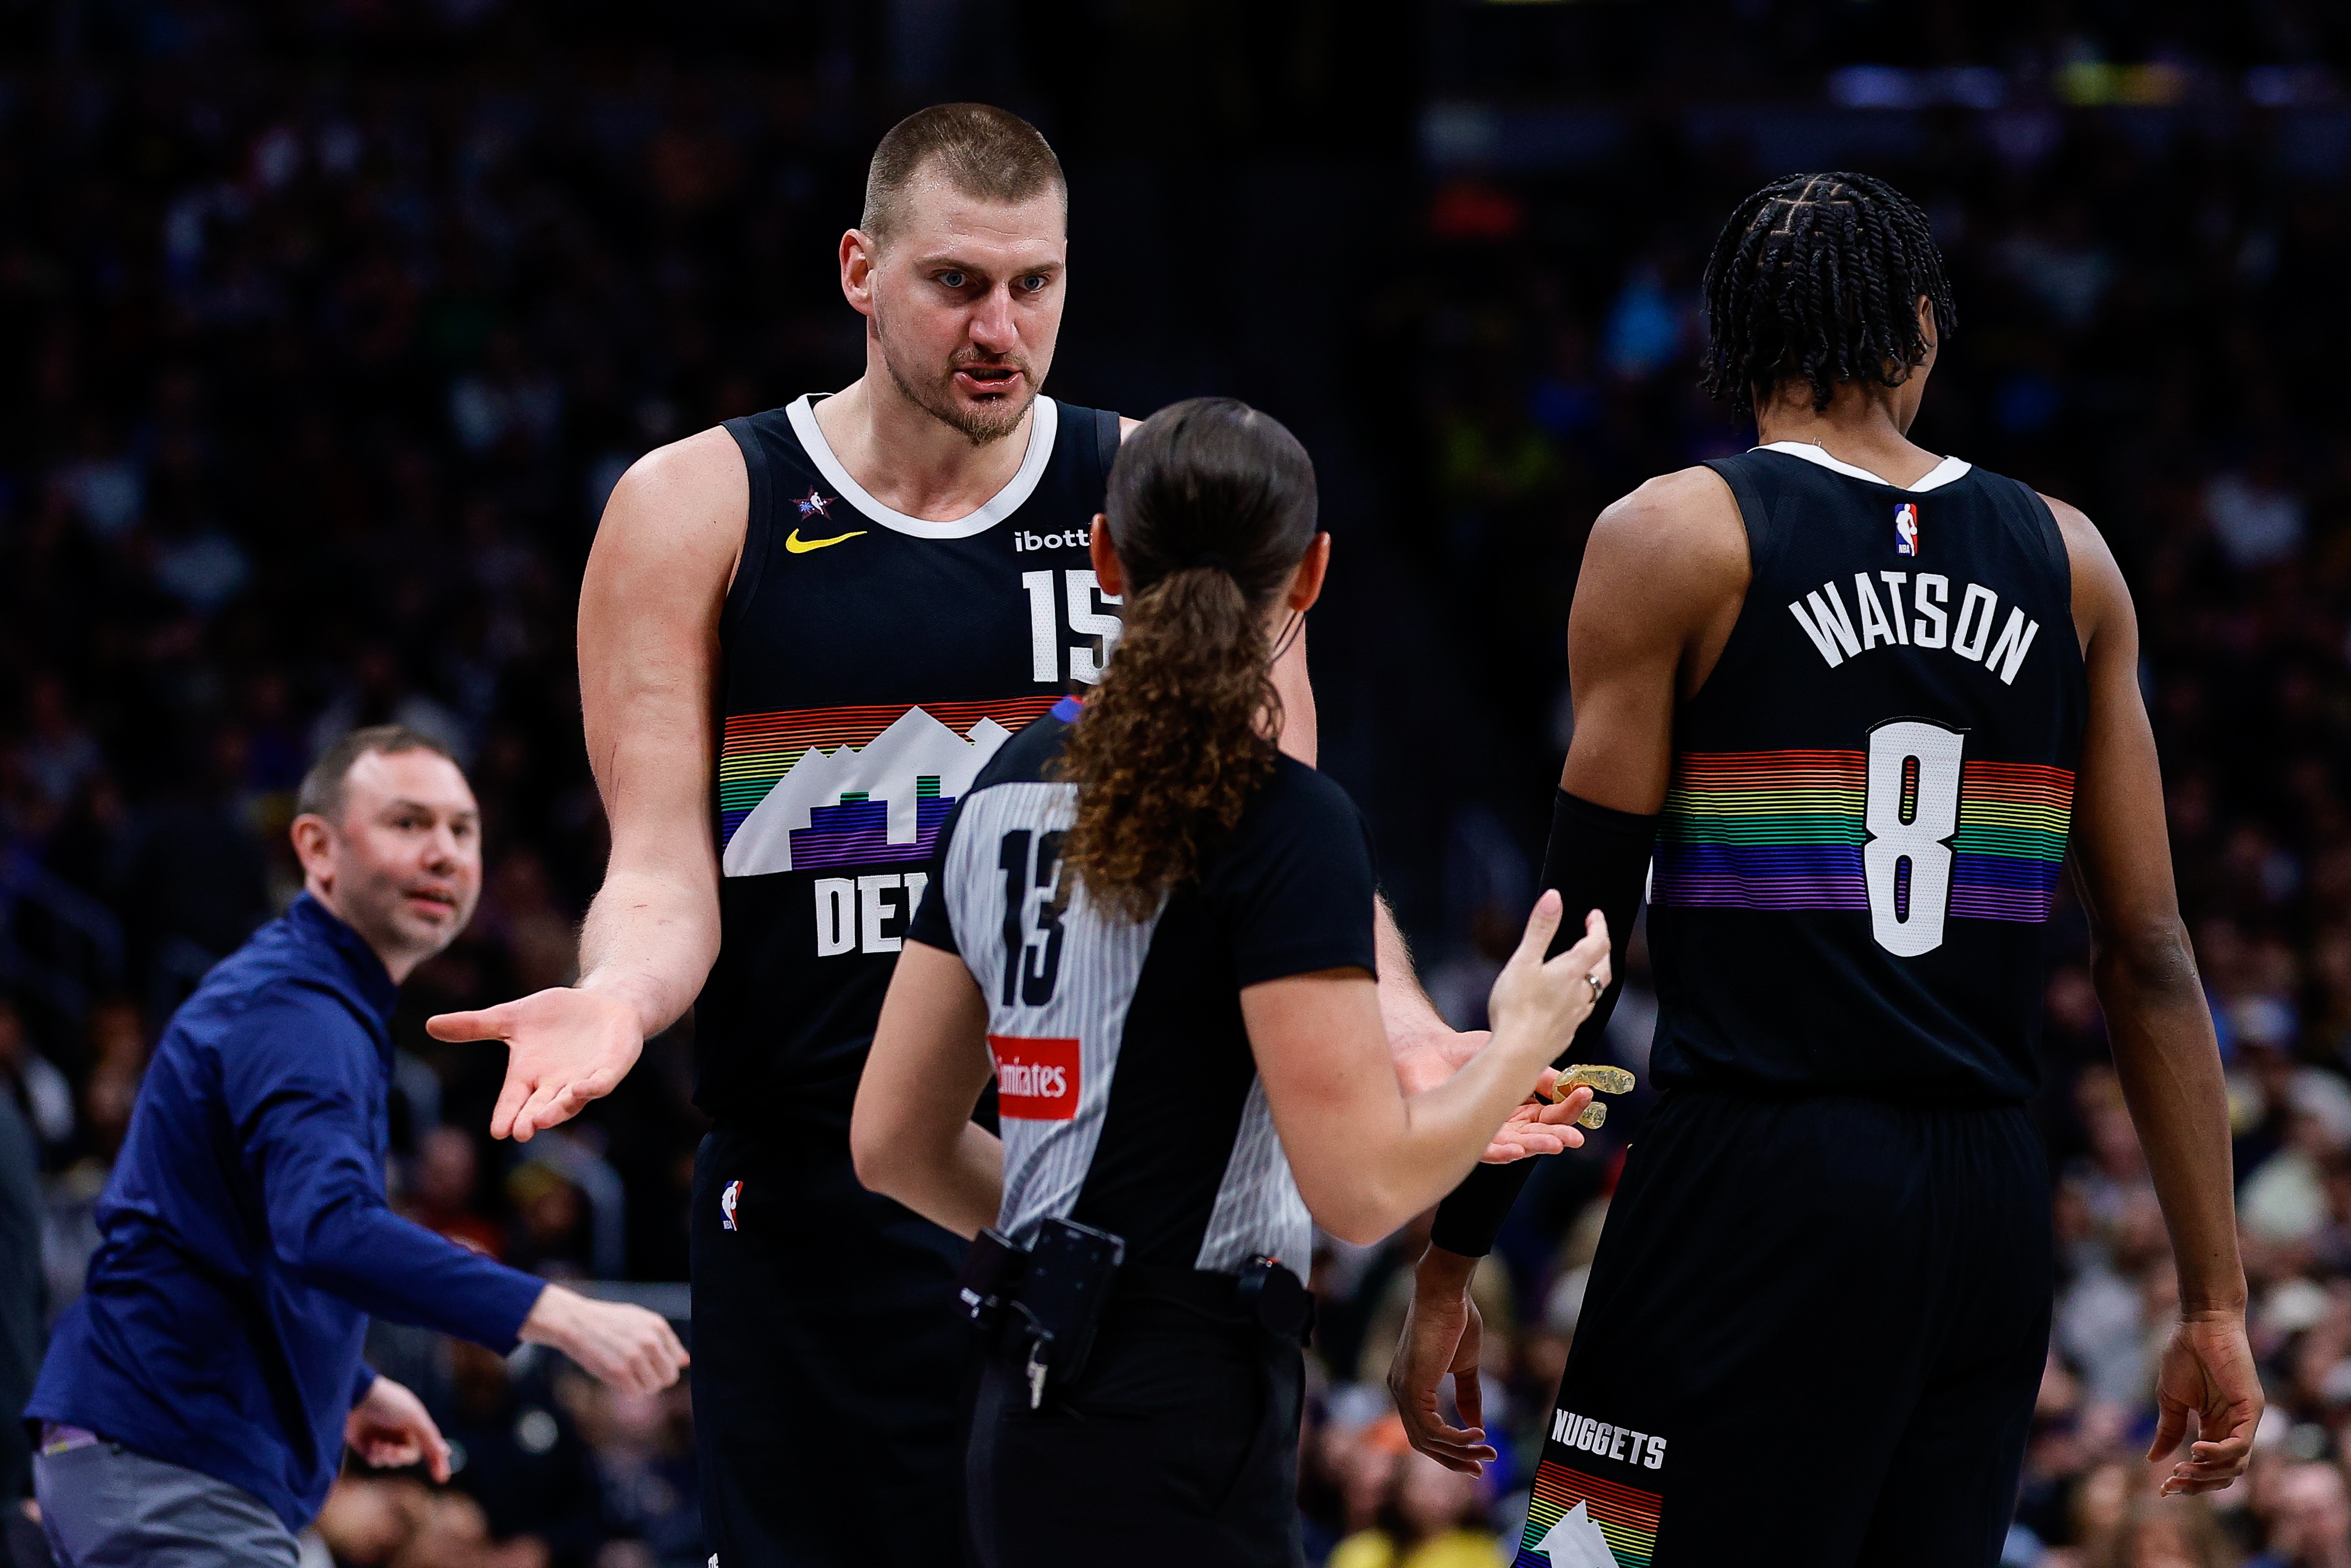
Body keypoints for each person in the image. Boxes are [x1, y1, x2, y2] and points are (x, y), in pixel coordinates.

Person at [422, 105, 1538, 1566]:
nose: (1000, 328)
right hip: (818, 1205)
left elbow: (1279, 854)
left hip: (1117, 1225)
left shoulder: (1159, 490)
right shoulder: (694, 506)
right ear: (858, 270)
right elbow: (659, 865)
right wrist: (618, 997)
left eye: (1034, 283)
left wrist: (1403, 1027)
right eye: (955, 281)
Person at [1386, 172, 2263, 1565]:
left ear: (1730, 342)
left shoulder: (1673, 534)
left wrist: (1453, 1256)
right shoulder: (2070, 559)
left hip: (1755, 1171)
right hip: (1985, 1194)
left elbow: (1574, 943)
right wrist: (2213, 1302)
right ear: (1919, 327)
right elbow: (2149, 955)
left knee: (1599, 1552)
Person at [849, 398, 1614, 1565]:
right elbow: (1360, 1192)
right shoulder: (1282, 816)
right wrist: (1520, 1040)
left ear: (1105, 557)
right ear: (1309, 575)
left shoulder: (1001, 785)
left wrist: (1082, 1243)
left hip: (1021, 1400)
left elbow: (892, 1142)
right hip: (1182, 1414)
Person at [26, 726, 687, 1568]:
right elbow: (327, 1230)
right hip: (166, 1461)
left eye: (462, 829)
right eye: (408, 823)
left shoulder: (307, 997)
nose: (445, 852)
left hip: (155, 1457)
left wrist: (351, 1383)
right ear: (316, 848)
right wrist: (560, 1313)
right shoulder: (298, 1009)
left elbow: (228, 1228)